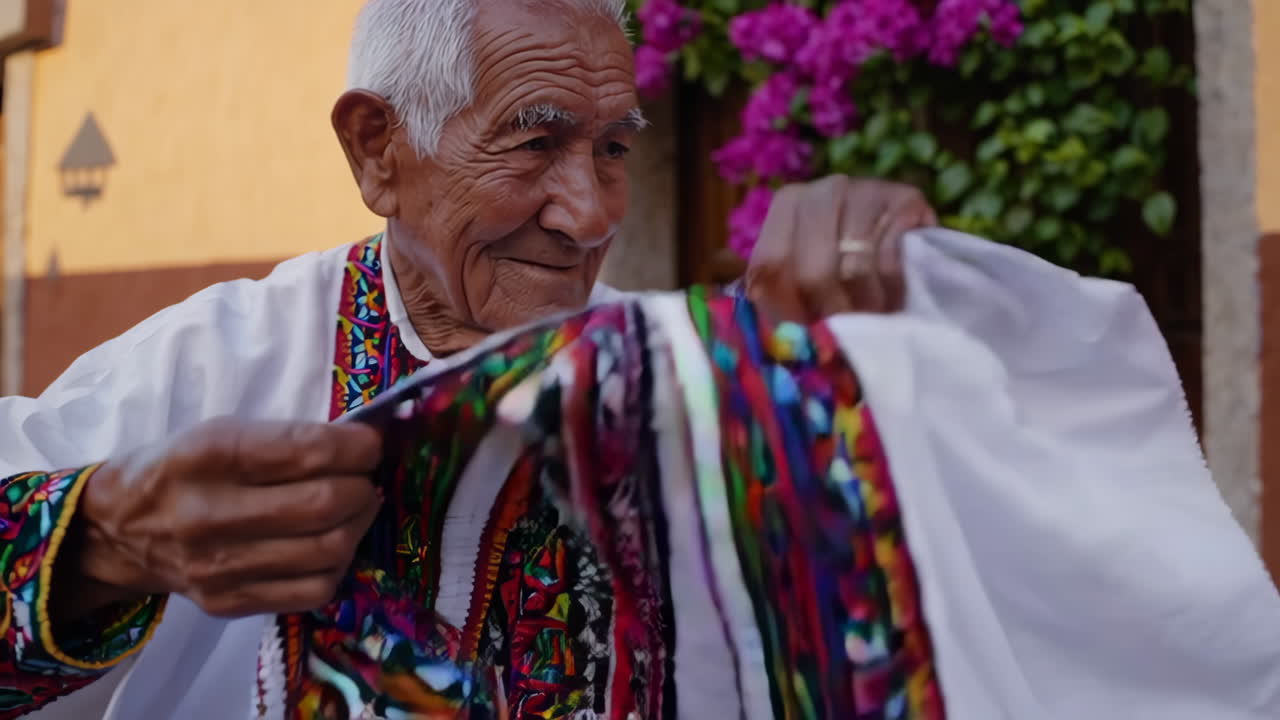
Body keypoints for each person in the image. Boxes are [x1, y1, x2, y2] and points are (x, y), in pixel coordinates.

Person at [0, 0, 936, 716]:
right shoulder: (215, 369)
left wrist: (906, 316)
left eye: (612, 149)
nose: (593, 214)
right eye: (534, 144)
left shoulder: (678, 383)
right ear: (378, 151)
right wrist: (98, 543)